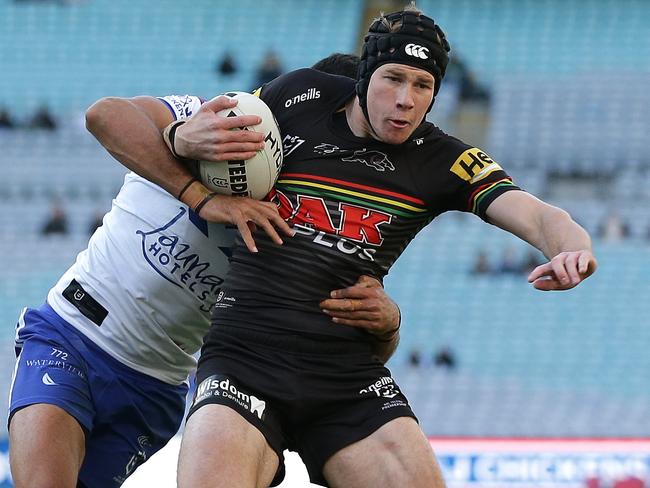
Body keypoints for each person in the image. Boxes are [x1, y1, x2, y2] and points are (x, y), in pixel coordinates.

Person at [87, 6, 597, 488]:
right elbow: (186, 131)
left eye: (423, 86)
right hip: (244, 356)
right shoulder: (297, 97)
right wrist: (182, 142)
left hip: (345, 375)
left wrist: (570, 248)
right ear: (363, 77)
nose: (405, 100)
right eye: (393, 79)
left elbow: (537, 213)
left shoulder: (443, 158)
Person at [8, 71, 402, 488]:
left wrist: (390, 324)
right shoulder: (208, 120)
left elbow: (352, 353)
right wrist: (187, 163)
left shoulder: (314, 226)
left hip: (154, 387)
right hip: (72, 333)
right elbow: (104, 115)